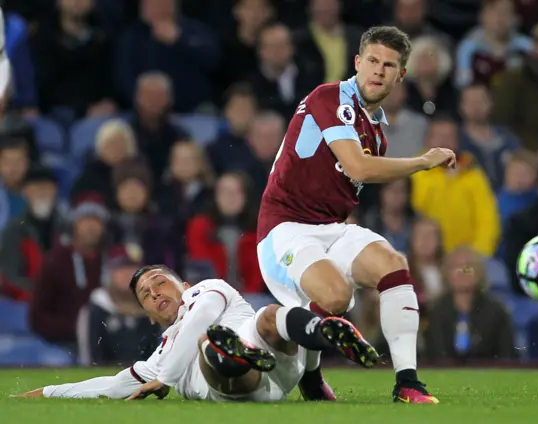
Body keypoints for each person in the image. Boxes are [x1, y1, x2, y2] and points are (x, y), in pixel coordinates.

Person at [257, 25, 455, 404]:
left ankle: (408, 383)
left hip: (331, 228)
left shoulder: (377, 131)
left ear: (401, 76)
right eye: (373, 62)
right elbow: (359, 168)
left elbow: (347, 186)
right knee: (336, 297)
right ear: (357, 63)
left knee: (393, 264)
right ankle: (309, 375)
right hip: (285, 228)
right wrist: (424, 162)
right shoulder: (330, 97)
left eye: (389, 65)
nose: (379, 71)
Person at [16, 265, 377, 401]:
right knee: (210, 346)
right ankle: (252, 354)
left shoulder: (207, 292)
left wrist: (168, 379)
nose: (155, 293)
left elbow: (201, 314)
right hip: (244, 384)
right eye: (146, 295)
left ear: (185, 285)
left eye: (160, 283)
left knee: (269, 315)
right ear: (147, 314)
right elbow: (110, 386)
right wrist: (50, 391)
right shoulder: (157, 358)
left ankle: (324, 334)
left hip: (275, 351)